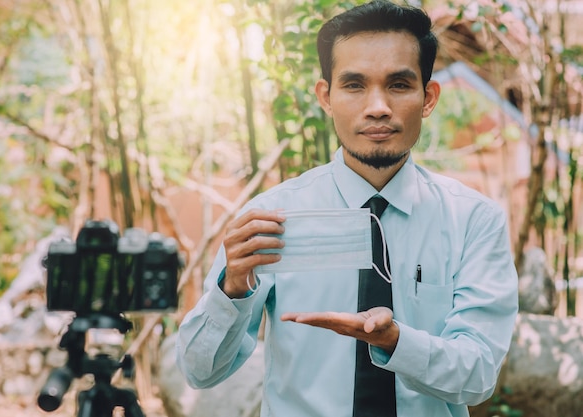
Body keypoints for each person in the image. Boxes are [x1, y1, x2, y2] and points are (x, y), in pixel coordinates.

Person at [175, 1, 519, 416]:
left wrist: (395, 342)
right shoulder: (271, 217)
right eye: (354, 85)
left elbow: (479, 375)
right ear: (326, 96)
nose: (377, 106)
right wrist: (232, 288)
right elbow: (199, 372)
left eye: (398, 85)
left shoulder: (472, 221)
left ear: (428, 98)